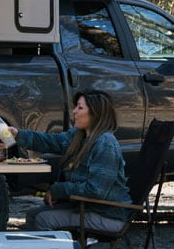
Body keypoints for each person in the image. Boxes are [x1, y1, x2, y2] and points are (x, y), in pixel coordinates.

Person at [11, 91, 131, 233]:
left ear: (95, 113)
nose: (74, 111)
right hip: (85, 207)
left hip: (107, 214)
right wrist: (17, 134)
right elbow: (51, 142)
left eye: (80, 108)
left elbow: (96, 191)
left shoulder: (105, 143)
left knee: (43, 219)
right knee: (32, 214)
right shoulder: (78, 136)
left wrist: (57, 190)